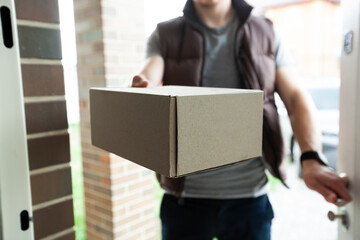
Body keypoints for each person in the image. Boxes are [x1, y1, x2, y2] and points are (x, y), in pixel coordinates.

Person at [132, 0, 352, 239]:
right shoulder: (165, 34)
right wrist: (141, 87)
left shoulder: (266, 32)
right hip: (184, 201)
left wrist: (311, 158)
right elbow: (147, 77)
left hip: (249, 200)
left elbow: (295, 97)